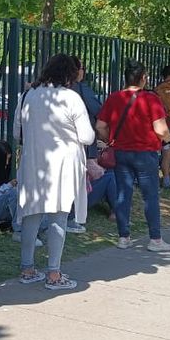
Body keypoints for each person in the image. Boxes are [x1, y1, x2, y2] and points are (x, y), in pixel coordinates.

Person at [14, 54, 94, 290]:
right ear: (69, 75)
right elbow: (87, 136)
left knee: (31, 214)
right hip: (63, 163)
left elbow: (17, 132)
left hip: (33, 161)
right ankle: (54, 274)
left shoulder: (28, 95)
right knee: (59, 215)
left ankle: (27, 268)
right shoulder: (71, 98)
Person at [96, 60, 170, 252]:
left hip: (121, 152)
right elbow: (161, 129)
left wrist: (111, 140)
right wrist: (168, 138)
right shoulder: (151, 99)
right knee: (150, 196)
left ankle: (124, 237)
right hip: (145, 153)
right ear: (143, 78)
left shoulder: (114, 98)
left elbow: (100, 126)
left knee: (123, 195)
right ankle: (155, 240)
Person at [66, 56, 103, 233]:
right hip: (81, 146)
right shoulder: (81, 90)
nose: (84, 71)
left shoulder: (50, 91)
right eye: (82, 68)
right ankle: (73, 217)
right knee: (79, 182)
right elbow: (98, 110)